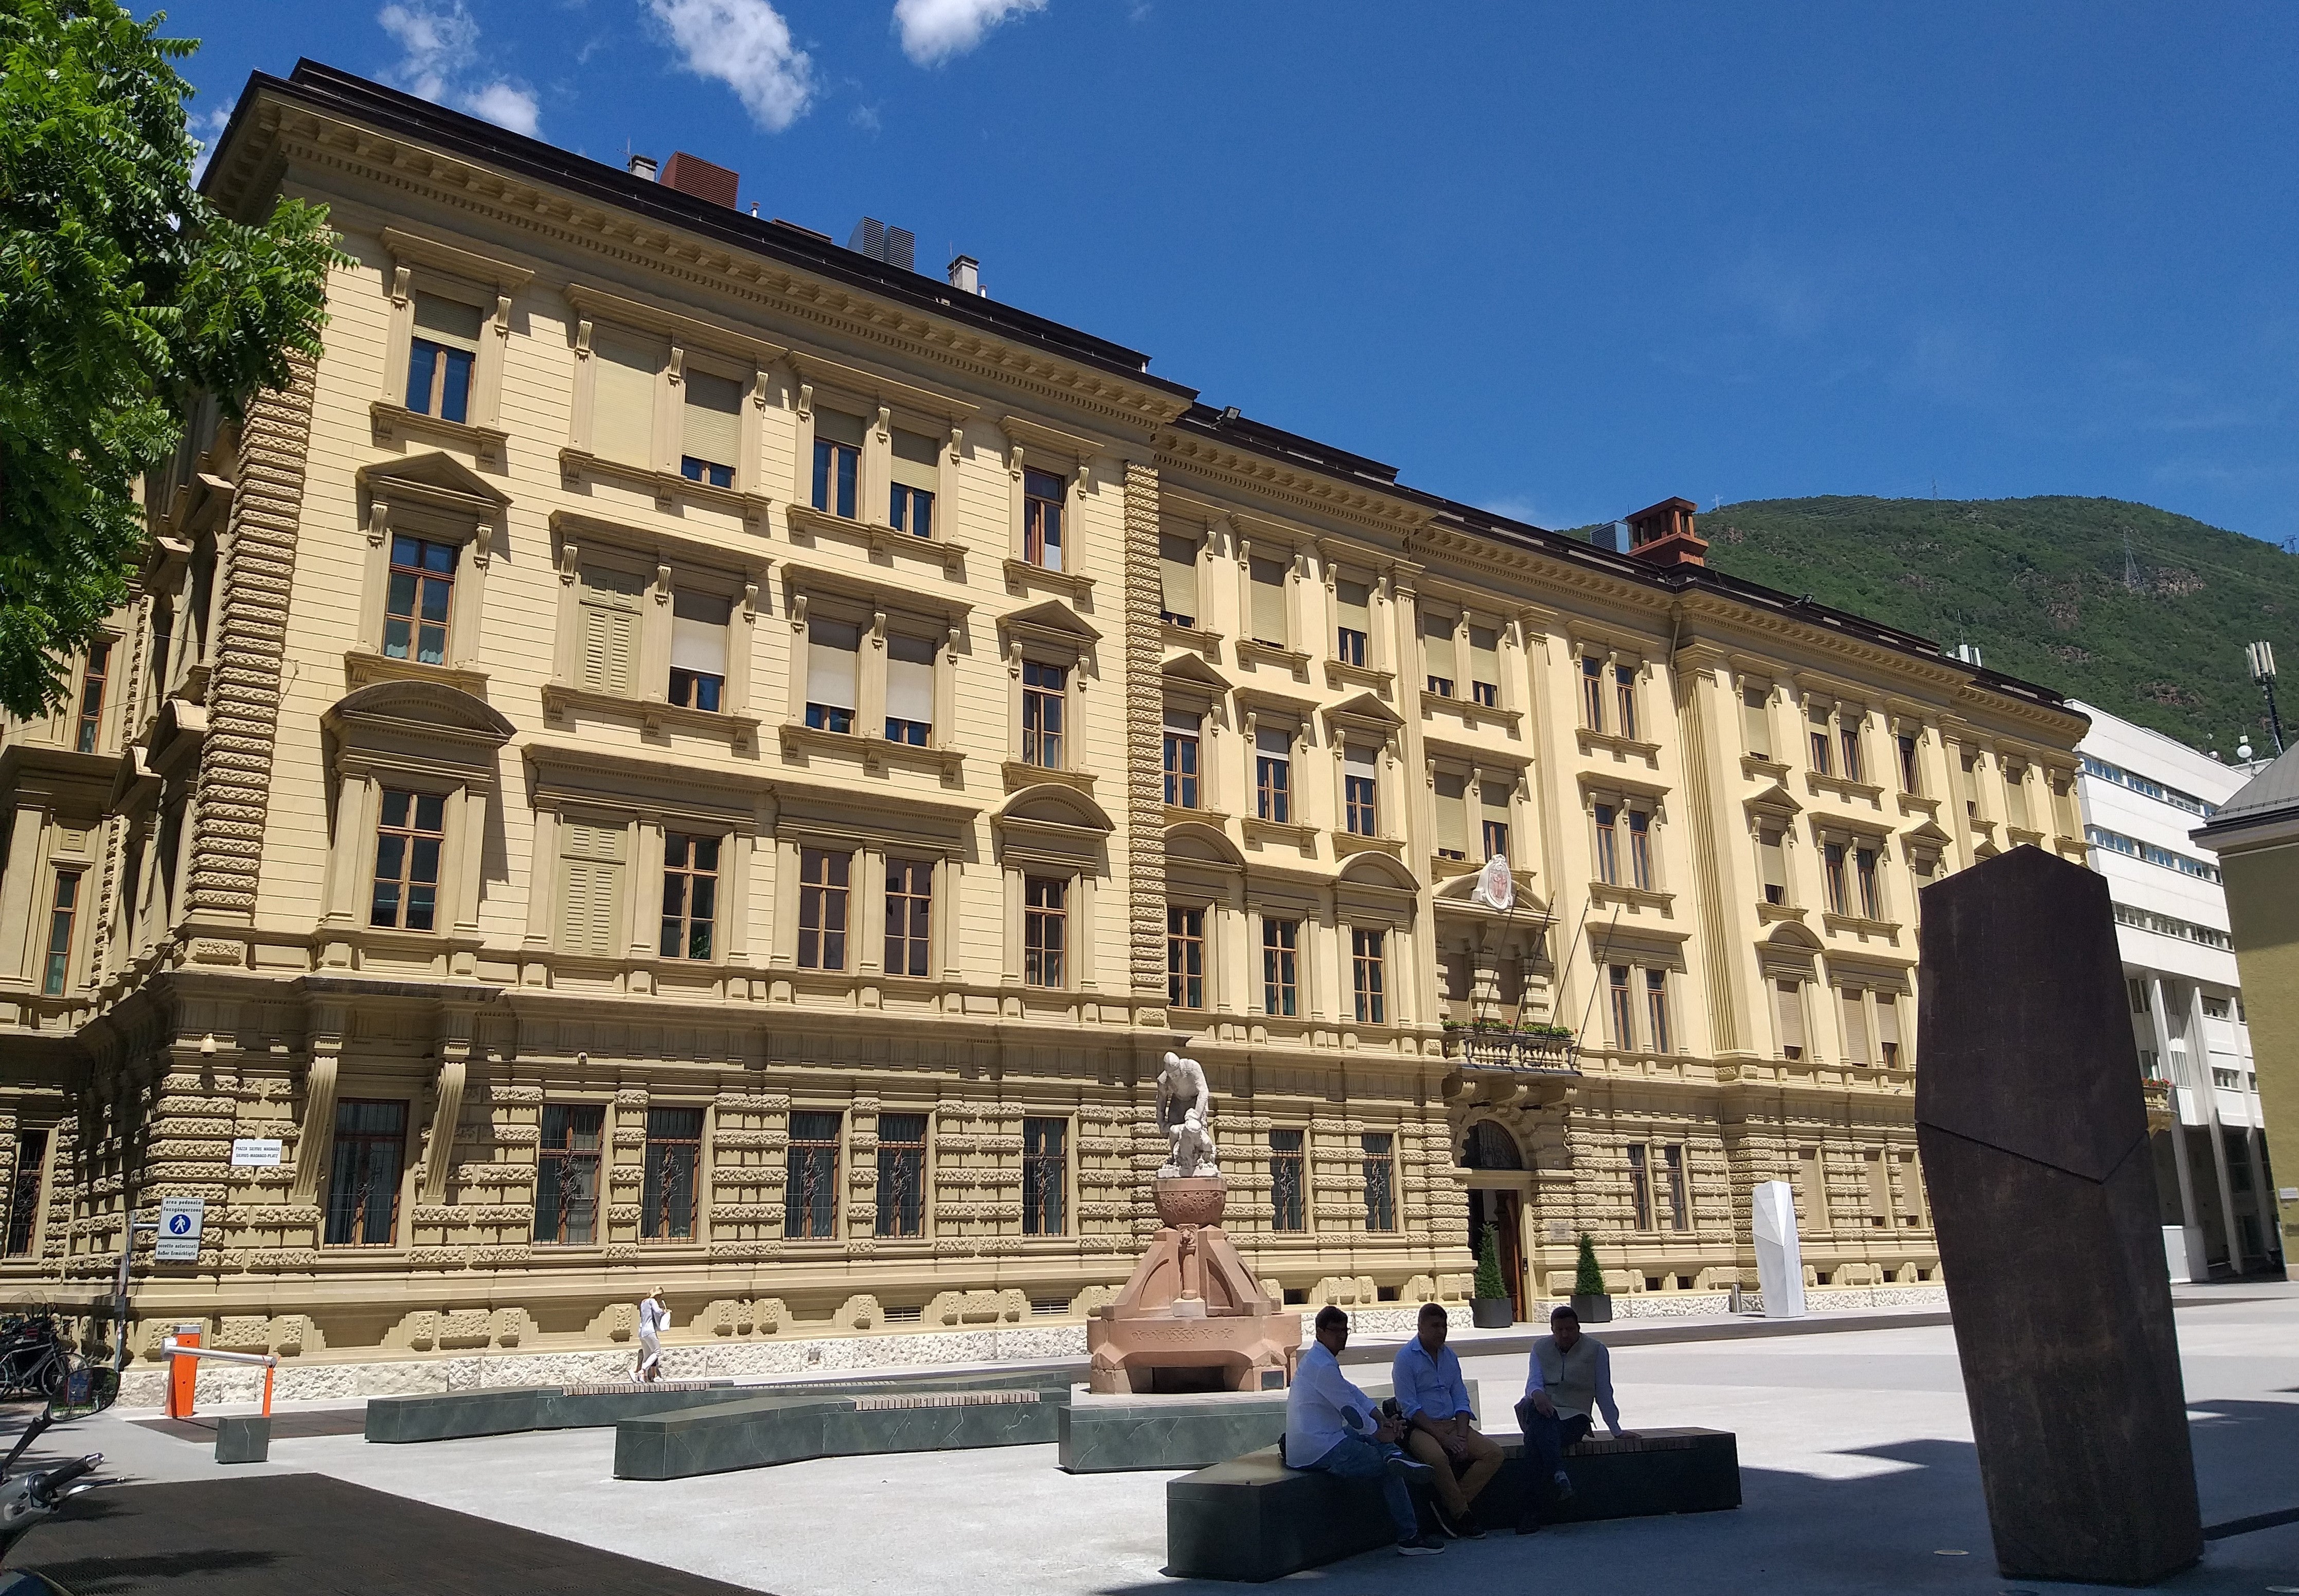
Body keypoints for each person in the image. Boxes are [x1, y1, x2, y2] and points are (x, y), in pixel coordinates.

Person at [1285, 1305, 1447, 1555]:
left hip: (1322, 1440)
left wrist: (1383, 1421)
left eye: (1345, 1330)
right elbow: (1350, 1411)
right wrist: (1379, 1432)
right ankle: (1409, 1538)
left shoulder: (1320, 1360)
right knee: (1389, 1469)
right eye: (1335, 1331)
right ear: (1319, 1332)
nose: (1342, 1336)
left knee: (1379, 1449)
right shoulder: (1322, 1366)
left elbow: (1353, 1393)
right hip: (1318, 1450)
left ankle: (1395, 1455)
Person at [1390, 1303, 1503, 1537]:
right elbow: (1410, 1407)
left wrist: (1461, 1437)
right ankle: (1461, 1515)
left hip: (1451, 1424)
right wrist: (1444, 1439)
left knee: (1494, 1453)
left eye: (1444, 1326)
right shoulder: (1405, 1359)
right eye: (1435, 1326)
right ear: (1420, 1327)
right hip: (1420, 1427)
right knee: (1438, 1458)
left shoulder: (1450, 1356)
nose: (1441, 1331)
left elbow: (1461, 1398)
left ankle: (1447, 1506)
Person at [1513, 1305, 1637, 1517]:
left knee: (1535, 1440)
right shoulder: (1540, 1348)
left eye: (1569, 1329)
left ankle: (1530, 1513)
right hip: (1542, 1409)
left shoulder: (1596, 1350)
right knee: (1538, 1415)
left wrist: (1616, 1430)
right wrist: (1537, 1394)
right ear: (1552, 1330)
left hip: (1574, 1416)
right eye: (1559, 1330)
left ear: (1579, 1328)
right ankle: (1558, 1474)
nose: (1564, 1334)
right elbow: (1533, 1382)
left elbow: (1604, 1392)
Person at [636, 1285, 669, 1383]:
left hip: (642, 1331)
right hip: (650, 1330)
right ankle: (643, 1370)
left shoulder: (643, 1302)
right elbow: (658, 1311)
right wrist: (665, 1311)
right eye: (660, 1295)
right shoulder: (652, 1301)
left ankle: (644, 1377)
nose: (660, 1297)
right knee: (657, 1352)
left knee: (647, 1354)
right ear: (656, 1294)